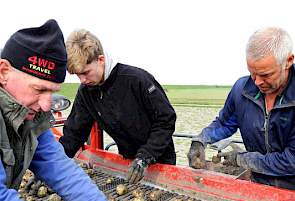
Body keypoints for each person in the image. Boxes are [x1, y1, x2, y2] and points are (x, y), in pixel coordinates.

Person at [0, 19, 154, 201]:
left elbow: (59, 166)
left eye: (53, 91)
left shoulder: (30, 114)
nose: (47, 105)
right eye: (39, 89)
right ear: (3, 71)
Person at [59, 29, 176, 184]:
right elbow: (74, 133)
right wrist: (54, 166)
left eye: (86, 72)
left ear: (100, 60)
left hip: (159, 161)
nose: (82, 80)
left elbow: (166, 119)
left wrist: (145, 156)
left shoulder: (136, 80)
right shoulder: (86, 92)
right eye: (78, 75)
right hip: (127, 162)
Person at [188, 27, 295, 190]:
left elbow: (291, 160)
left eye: (266, 75)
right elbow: (225, 124)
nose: (257, 82)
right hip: (257, 183)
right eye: (252, 73)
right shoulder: (242, 90)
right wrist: (201, 140)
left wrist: (243, 159)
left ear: (288, 61)